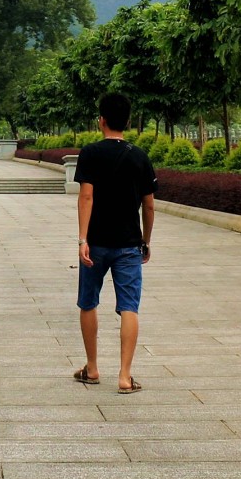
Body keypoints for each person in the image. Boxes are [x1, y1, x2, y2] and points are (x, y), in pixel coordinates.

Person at [73, 91, 154, 394]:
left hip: (95, 243)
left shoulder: (90, 153)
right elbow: (149, 205)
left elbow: (86, 197)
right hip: (129, 244)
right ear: (128, 122)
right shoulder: (140, 156)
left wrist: (82, 239)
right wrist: (146, 241)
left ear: (101, 120)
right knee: (129, 307)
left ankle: (92, 368)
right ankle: (125, 376)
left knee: (88, 302)